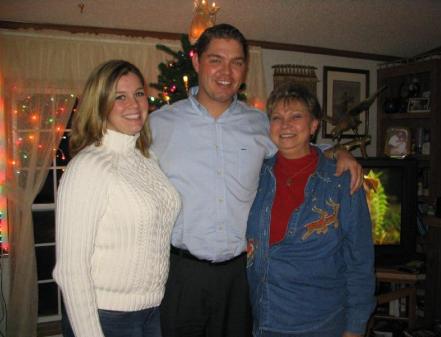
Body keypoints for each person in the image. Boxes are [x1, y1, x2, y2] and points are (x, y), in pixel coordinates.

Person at [150, 24, 363, 337]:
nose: (227, 71)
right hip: (182, 274)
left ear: (244, 69)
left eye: (236, 62)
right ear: (196, 62)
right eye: (216, 60)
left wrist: (338, 150)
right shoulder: (159, 124)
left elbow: (297, 141)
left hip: (240, 276)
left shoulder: (260, 123)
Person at [53, 60, 181, 337]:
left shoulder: (146, 158)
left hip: (152, 311)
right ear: (100, 104)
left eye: (138, 94)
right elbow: (70, 269)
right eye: (119, 97)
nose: (134, 105)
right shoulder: (88, 167)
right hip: (105, 316)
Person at [246, 82, 375, 337]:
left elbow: (360, 260)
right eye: (277, 118)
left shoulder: (341, 179)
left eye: (296, 116)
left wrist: (355, 327)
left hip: (322, 323)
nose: (285, 125)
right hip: (264, 319)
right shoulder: (256, 174)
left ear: (314, 125)